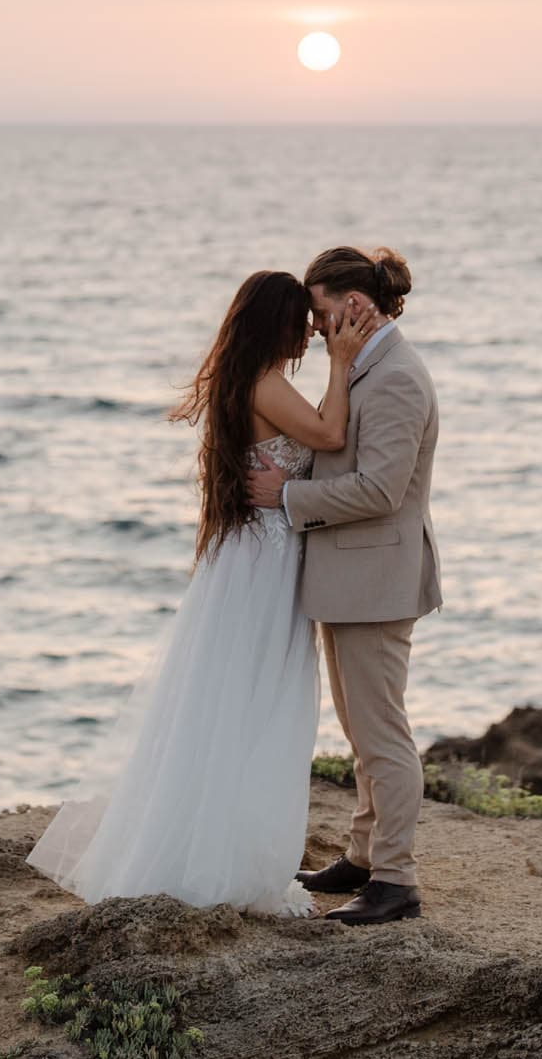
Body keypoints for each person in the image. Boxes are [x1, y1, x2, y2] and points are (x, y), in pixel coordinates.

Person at [24, 269, 371, 915]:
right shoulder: (267, 383)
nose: (310, 332)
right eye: (302, 322)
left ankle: (213, 845)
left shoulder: (248, 379)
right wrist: (343, 362)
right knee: (253, 704)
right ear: (277, 324)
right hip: (263, 564)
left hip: (251, 557)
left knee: (229, 703)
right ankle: (224, 862)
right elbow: (329, 436)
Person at [246, 245, 441, 926]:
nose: (317, 330)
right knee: (363, 729)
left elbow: (383, 489)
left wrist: (288, 496)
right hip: (351, 576)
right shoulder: (366, 366)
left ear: (354, 307)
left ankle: (396, 880)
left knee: (382, 732)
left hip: (376, 580)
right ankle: (362, 858)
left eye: (323, 315)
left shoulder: (395, 378)